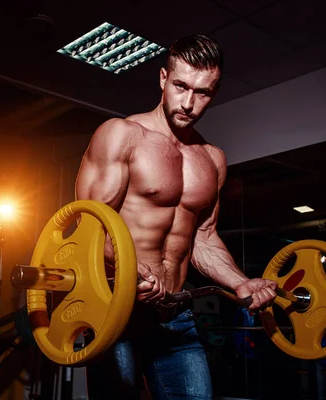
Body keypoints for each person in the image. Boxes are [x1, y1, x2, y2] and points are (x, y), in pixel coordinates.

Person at [74, 34, 278, 400]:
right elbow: (89, 227)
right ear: (163, 78)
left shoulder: (212, 159)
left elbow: (203, 237)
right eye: (181, 85)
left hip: (176, 316)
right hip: (115, 313)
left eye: (203, 93)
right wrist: (132, 271)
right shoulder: (121, 136)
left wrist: (239, 282)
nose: (188, 103)